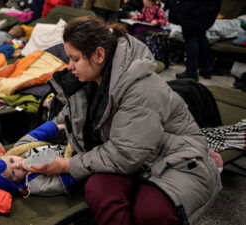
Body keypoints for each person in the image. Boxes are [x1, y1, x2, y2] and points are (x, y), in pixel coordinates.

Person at [26, 16, 222, 225]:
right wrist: (34, 138)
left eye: (75, 59)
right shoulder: (90, 82)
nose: (70, 66)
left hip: (174, 155)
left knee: (151, 212)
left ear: (99, 55)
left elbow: (125, 154)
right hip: (132, 154)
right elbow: (68, 118)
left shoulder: (139, 88)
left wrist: (67, 165)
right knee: (98, 190)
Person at [0, 121, 75, 197]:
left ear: (6, 155)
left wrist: (57, 127)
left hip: (65, 142)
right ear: (15, 183)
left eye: (11, 161)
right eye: (13, 173)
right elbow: (65, 182)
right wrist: (69, 164)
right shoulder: (34, 185)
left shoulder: (20, 149)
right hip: (75, 157)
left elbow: (36, 134)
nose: (17, 165)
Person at [166, 0, 221, 80]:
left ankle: (191, 72)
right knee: (201, 36)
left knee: (190, 38)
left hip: (192, 11)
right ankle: (206, 70)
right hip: (209, 11)